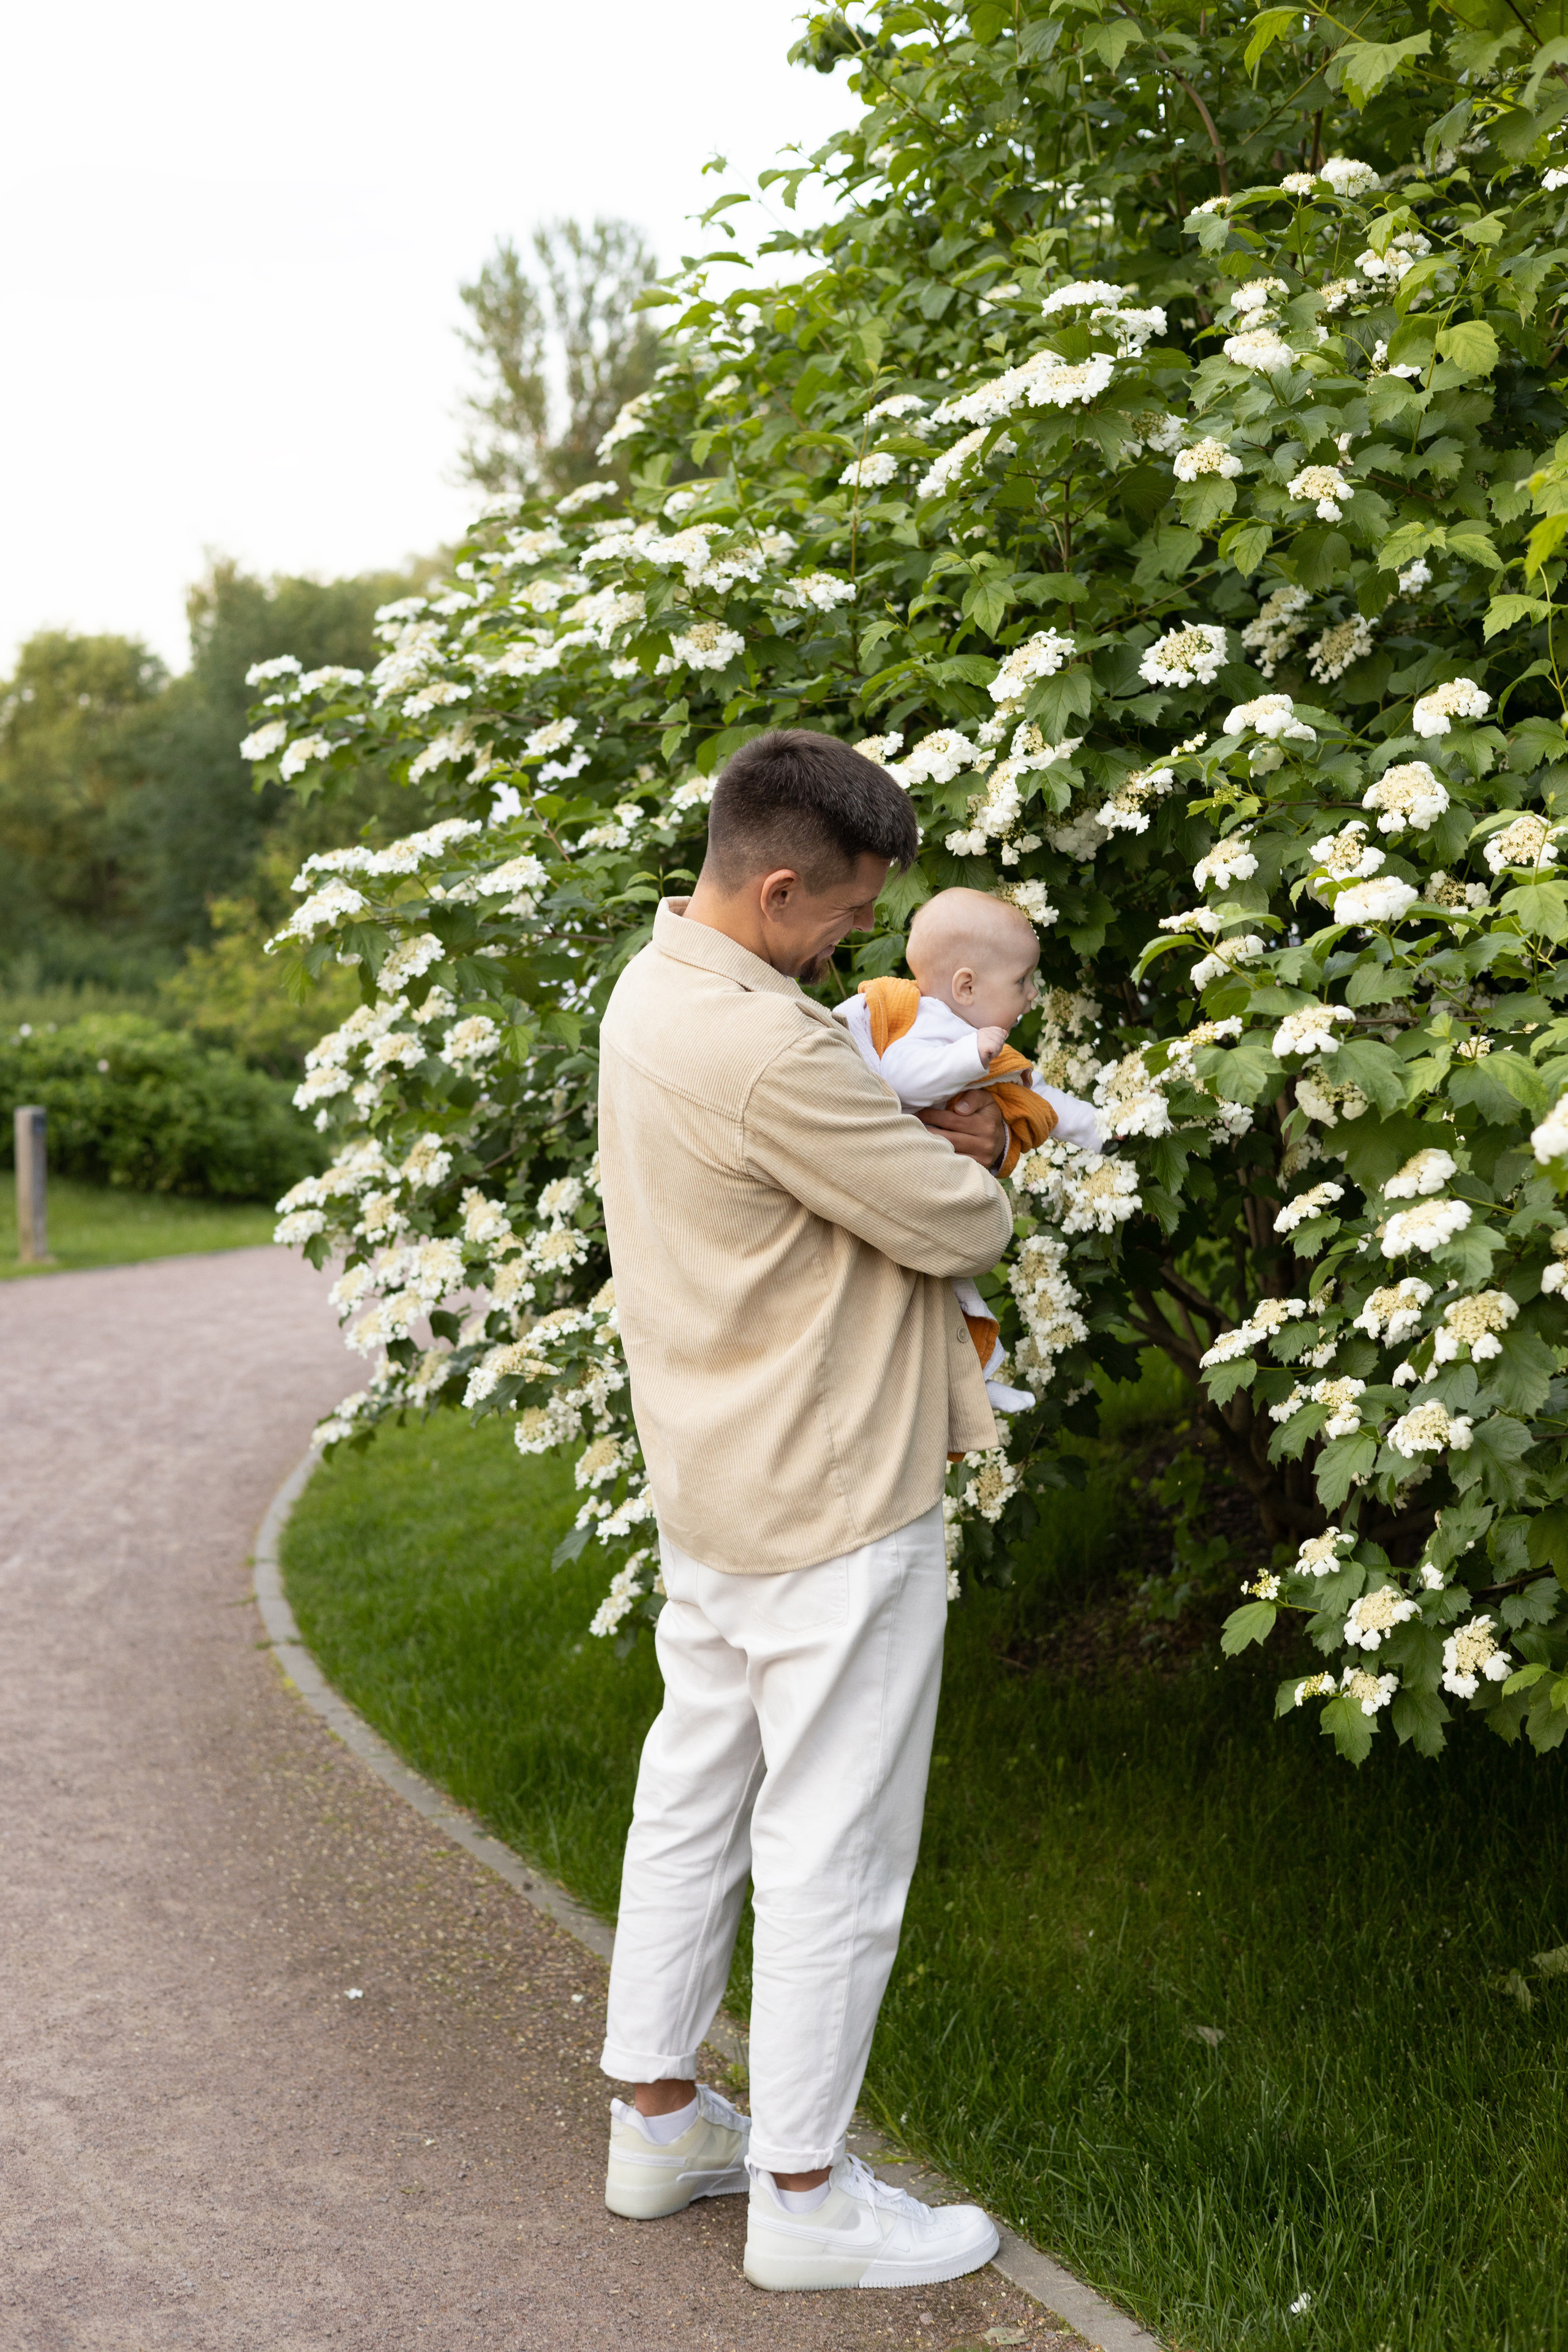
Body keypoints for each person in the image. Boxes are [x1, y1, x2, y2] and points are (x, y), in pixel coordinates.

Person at [595, 728, 1014, 2291]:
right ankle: (803, 2192)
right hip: (834, 1489)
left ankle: (658, 2120)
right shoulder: (773, 1049)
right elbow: (952, 1216)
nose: (857, 942)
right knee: (832, 1841)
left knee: (691, 1796)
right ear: (775, 883)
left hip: (711, 1473)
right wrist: (970, 1150)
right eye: (841, 913)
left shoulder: (656, 991)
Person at [833, 886, 1104, 1413]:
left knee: (957, 1295)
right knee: (952, 1295)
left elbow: (1038, 1098)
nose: (1031, 994)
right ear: (967, 985)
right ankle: (976, 1380)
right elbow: (903, 1077)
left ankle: (980, 1379)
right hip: (895, 1186)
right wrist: (967, 1057)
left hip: (928, 1186)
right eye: (1021, 981)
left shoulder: (973, 1037)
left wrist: (1097, 1128)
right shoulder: (930, 1024)